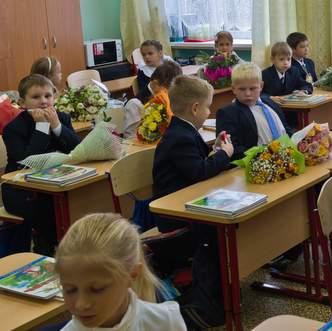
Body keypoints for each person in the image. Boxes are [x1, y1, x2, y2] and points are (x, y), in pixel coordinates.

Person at [152, 76, 234, 328]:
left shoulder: (184, 131)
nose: (210, 112)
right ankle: (209, 302)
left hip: (188, 203)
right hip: (174, 215)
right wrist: (224, 155)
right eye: (208, 107)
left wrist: (215, 151)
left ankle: (221, 295)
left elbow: (194, 166)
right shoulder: (180, 136)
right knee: (215, 235)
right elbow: (198, 172)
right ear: (195, 108)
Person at [54, 213, 186, 330]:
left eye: (97, 289)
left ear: (132, 275)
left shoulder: (166, 321)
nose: (81, 304)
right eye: (70, 290)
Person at [2, 74, 80, 254]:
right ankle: (48, 248)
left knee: (80, 197)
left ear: (54, 97)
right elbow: (27, 161)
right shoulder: (13, 128)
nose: (44, 101)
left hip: (58, 182)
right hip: (22, 190)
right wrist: (42, 127)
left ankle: (74, 245)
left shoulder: (62, 118)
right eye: (36, 97)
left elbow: (78, 149)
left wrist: (57, 126)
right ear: (22, 102)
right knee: (48, 208)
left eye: (48, 96)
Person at [216, 62, 289, 160]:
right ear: (233, 89)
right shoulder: (228, 113)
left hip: (285, 155)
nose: (247, 93)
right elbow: (232, 148)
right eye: (242, 89)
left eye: (252, 88)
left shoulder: (270, 103)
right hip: (256, 161)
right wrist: (262, 155)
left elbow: (285, 128)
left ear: (261, 86)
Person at [122, 60, 182, 139]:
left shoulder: (172, 97)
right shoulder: (135, 104)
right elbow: (130, 138)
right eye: (167, 90)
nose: (171, 95)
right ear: (155, 84)